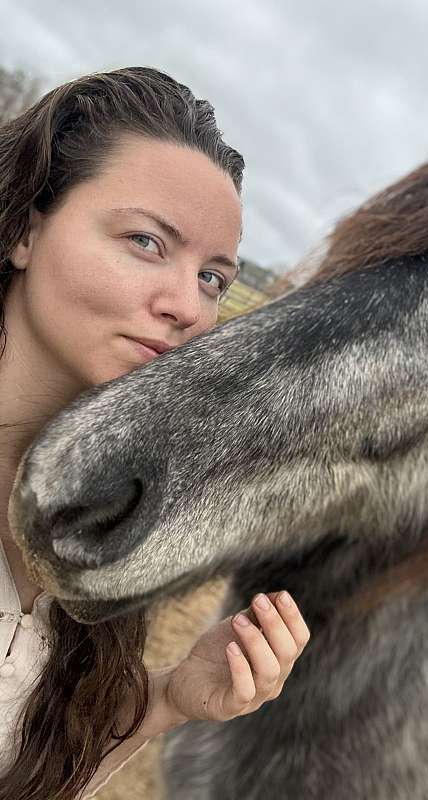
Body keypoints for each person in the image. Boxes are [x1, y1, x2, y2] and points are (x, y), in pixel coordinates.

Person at [0, 67, 310, 800]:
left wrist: (169, 698)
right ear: (25, 228)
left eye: (212, 278)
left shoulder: (105, 525)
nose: (186, 307)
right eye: (145, 241)